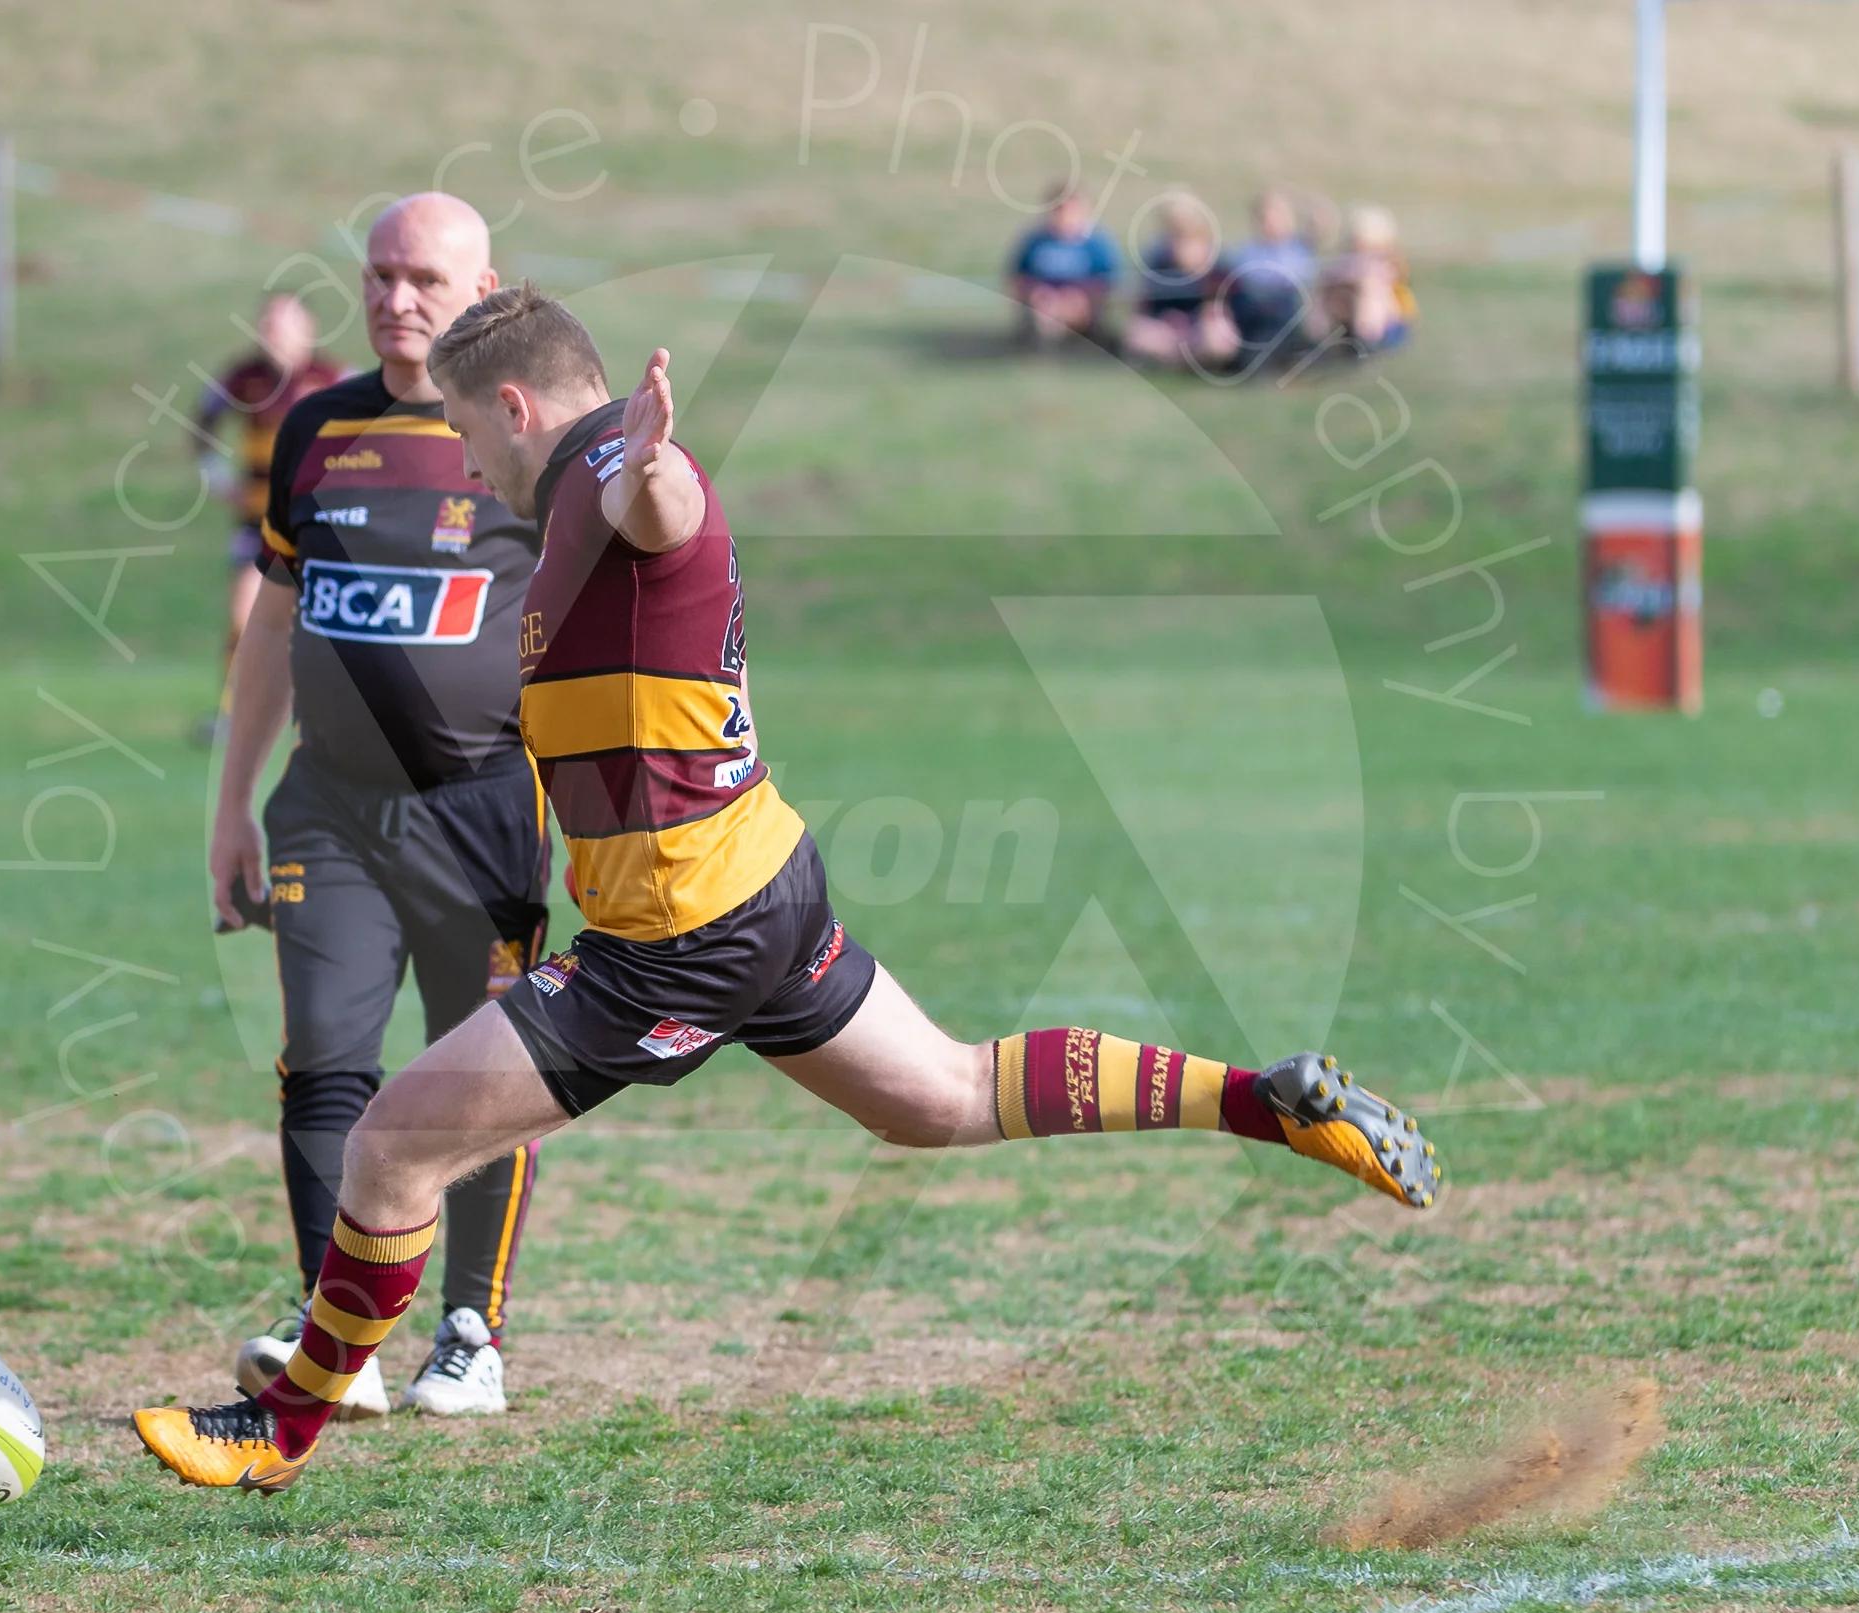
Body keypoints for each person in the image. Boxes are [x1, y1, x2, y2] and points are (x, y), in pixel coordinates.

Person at [133, 283, 1445, 1492]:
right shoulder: (576, 499)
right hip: (763, 885)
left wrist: (651, 464)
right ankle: (1265, 1106)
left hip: (676, 939)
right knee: (947, 1094)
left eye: (474, 439)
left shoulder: (604, 478)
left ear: (518, 406)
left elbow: (668, 512)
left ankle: (280, 1429)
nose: (469, 471)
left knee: (392, 1143)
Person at [209, 194, 551, 1424]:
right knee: (323, 1065)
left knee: (484, 1079)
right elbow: (274, 626)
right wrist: (232, 804)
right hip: (327, 812)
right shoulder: (315, 426)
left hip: (483, 813)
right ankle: (334, 1334)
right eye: (378, 275)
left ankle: (470, 1332)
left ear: (486, 287)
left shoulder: (525, 437)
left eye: (424, 278)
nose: (396, 298)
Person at [191, 291, 349, 729]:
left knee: (327, 618)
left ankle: (328, 710)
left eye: (283, 325)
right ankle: (232, 712)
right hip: (258, 523)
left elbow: (380, 430)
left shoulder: (335, 378)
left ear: (308, 329)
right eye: (267, 325)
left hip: (319, 523)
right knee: (243, 616)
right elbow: (200, 423)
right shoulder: (243, 379)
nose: (273, 335)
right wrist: (215, 476)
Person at [1122, 193, 1238, 373]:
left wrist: (1204, 316)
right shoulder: (1158, 261)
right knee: (1137, 334)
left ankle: (1197, 363)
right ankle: (1183, 363)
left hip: (1199, 330)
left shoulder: (1219, 267)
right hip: (1169, 332)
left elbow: (1229, 311)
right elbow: (1145, 308)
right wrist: (1168, 318)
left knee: (1216, 338)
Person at [1006, 189, 1122, 347]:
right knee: (1045, 308)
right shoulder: (1035, 242)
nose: (1065, 217)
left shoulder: (1096, 243)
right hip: (1043, 302)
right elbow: (1018, 278)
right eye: (1059, 210)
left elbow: (1108, 282)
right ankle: (1045, 347)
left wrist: (1078, 297)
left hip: (1082, 304)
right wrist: (1036, 293)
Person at [1222, 187, 1320, 366]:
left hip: (1290, 317)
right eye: (1266, 217)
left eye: (1278, 216)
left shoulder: (1301, 250)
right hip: (1255, 316)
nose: (1272, 223)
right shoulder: (1246, 252)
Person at [1319, 205, 1417, 354]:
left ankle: (1366, 342)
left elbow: (1385, 280)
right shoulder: (1349, 263)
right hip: (1347, 320)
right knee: (1330, 290)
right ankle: (1318, 338)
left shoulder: (1388, 264)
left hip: (1390, 324)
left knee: (1369, 289)